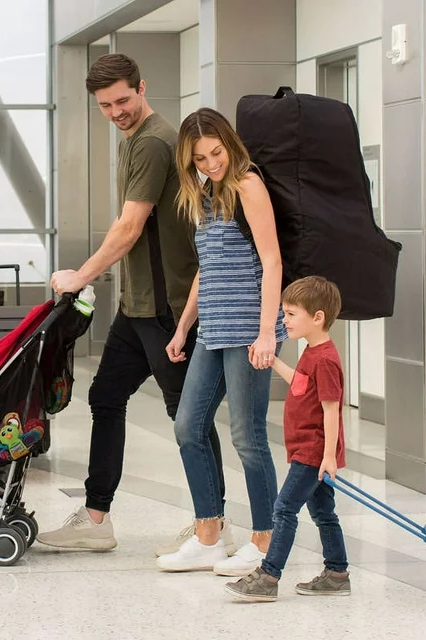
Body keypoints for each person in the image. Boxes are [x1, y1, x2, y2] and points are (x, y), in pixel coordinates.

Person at [37, 54, 231, 553]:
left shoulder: (152, 142)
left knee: (188, 416)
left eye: (123, 100)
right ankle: (97, 519)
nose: (116, 111)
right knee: (106, 397)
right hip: (138, 302)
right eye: (106, 105)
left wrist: (80, 275)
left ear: (142, 88)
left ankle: (213, 525)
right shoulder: (133, 139)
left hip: (168, 307)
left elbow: (129, 227)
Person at [156, 108, 286, 575]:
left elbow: (272, 262)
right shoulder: (205, 194)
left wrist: (268, 330)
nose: (211, 163)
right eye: (200, 158)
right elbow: (207, 268)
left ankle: (265, 540)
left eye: (216, 153)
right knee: (188, 426)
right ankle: (209, 535)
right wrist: (184, 326)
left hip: (250, 328)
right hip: (213, 327)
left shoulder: (248, 185)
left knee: (248, 437)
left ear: (229, 144)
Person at [224, 275, 350, 602]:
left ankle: (268, 576)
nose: (284, 320)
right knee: (323, 513)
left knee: (283, 510)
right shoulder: (313, 351)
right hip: (308, 451)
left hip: (313, 453)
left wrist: (329, 457)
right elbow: (301, 385)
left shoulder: (325, 360)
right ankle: (337, 572)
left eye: (291, 314)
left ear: (317, 317)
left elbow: (332, 409)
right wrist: (273, 361)